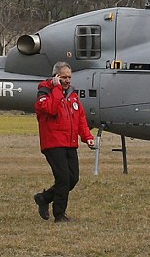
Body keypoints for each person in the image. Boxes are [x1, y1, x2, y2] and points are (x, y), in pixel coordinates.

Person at [33, 61, 94, 223]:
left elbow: (80, 117)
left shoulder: (72, 95)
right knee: (63, 179)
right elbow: (51, 109)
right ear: (55, 77)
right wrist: (57, 89)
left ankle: (44, 198)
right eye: (63, 77)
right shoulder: (44, 93)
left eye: (69, 77)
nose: (67, 80)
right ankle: (59, 214)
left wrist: (87, 137)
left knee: (73, 179)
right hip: (53, 143)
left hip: (70, 143)